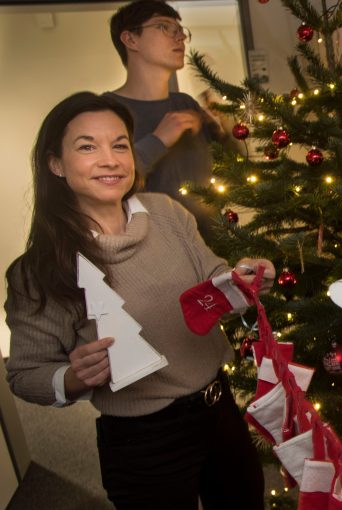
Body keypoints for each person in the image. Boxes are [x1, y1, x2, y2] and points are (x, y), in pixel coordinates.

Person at [4, 92, 271, 510]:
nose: (110, 159)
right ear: (55, 164)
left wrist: (243, 280)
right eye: (88, 147)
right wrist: (72, 378)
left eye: (120, 145)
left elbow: (212, 281)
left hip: (219, 412)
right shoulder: (39, 270)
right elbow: (24, 374)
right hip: (145, 441)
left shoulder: (166, 212)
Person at [106, 0, 222, 241]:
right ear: (130, 39)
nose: (179, 37)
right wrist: (158, 140)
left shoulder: (186, 104)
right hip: (151, 252)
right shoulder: (106, 111)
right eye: (163, 27)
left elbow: (223, 169)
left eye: (180, 30)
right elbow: (107, 183)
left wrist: (227, 131)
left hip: (210, 246)